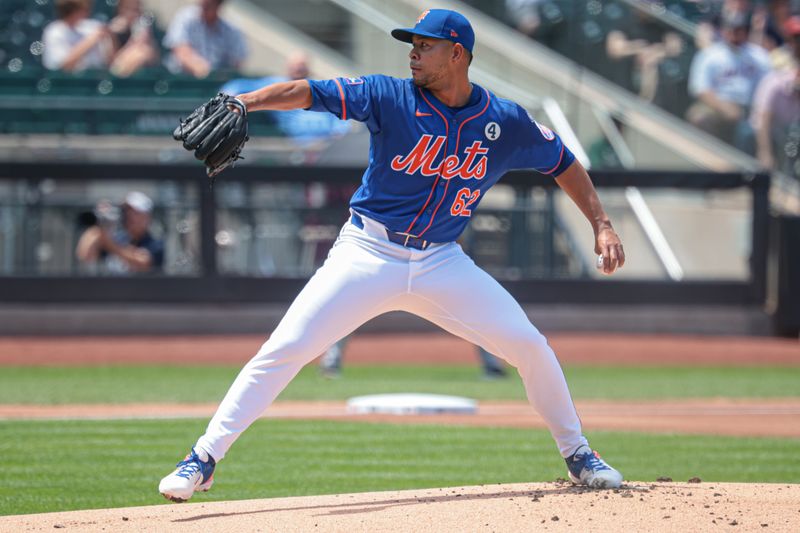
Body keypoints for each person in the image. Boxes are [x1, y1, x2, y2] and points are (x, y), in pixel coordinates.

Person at [158, 9, 626, 503]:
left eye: (425, 45)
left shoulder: (502, 121)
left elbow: (564, 162)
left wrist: (602, 223)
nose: (413, 52)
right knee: (285, 348)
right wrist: (246, 102)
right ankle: (202, 459)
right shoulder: (388, 95)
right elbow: (308, 91)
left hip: (442, 262)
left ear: (457, 54)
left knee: (530, 346)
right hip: (367, 251)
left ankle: (578, 454)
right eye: (412, 43)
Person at [687, 9, 771, 153]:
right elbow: (700, 89)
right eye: (730, 29)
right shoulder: (710, 54)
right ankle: (707, 161)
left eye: (739, 30)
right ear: (723, 31)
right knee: (698, 116)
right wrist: (724, 107)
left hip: (752, 108)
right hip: (718, 105)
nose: (734, 34)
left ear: (745, 31)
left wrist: (757, 110)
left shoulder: (759, 56)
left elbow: (768, 87)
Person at [318, 335, 508, 379]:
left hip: (433, 258)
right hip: (383, 256)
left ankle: (492, 364)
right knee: (352, 305)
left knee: (471, 308)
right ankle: (331, 362)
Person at [751, 15, 800, 176]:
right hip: (772, 129)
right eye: (796, 38)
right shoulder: (779, 59)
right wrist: (765, 154)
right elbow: (763, 118)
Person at [75, 191, 164, 274]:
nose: (129, 216)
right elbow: (85, 256)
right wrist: (98, 225)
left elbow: (143, 263)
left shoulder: (155, 243)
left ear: (147, 217)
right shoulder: (117, 239)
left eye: (135, 212)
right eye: (126, 211)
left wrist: (110, 244)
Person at [163, 0, 247, 78]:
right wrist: (202, 69)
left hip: (214, 83)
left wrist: (219, 75)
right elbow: (182, 51)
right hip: (179, 80)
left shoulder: (230, 28)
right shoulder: (185, 17)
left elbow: (237, 61)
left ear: (218, 5)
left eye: (209, 5)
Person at [42, 0, 114, 72]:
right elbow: (64, 66)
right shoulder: (54, 31)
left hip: (95, 79)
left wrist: (111, 36)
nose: (88, 11)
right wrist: (90, 41)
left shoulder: (94, 26)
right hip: (64, 81)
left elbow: (111, 63)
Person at [107, 0, 159, 77]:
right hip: (117, 68)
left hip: (137, 67)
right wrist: (132, 42)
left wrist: (146, 39)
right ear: (121, 9)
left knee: (144, 51)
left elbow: (154, 57)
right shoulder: (112, 29)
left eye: (137, 9)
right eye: (131, 9)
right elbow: (111, 61)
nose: (135, 13)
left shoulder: (141, 27)